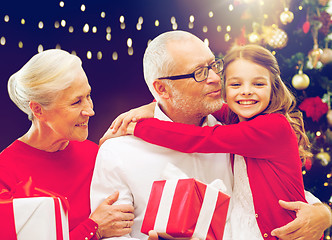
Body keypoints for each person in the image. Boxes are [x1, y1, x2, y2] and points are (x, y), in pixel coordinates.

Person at [92, 31, 331, 240]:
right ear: (161, 89)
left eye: (213, 66)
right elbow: (112, 235)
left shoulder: (231, 126)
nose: (216, 78)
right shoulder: (119, 151)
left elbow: (270, 189)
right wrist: (143, 113)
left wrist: (323, 213)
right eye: (199, 73)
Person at [0, 49, 134, 240]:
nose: (89, 110)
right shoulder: (5, 173)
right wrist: (92, 229)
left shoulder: (95, 154)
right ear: (38, 110)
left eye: (88, 96)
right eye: (76, 102)